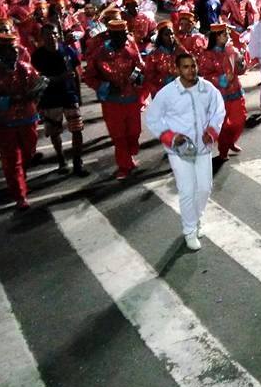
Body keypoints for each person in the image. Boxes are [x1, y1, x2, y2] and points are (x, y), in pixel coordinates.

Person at [145, 52, 225, 251]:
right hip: (179, 151)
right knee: (187, 190)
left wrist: (212, 130)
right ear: (177, 70)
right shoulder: (168, 93)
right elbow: (152, 118)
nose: (191, 70)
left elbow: (219, 110)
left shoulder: (207, 89)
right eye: (186, 67)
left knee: (205, 187)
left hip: (203, 147)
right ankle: (189, 231)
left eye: (193, 65)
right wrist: (171, 137)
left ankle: (196, 219)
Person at [0, 32, 43, 209]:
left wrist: (37, 92)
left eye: (16, 50)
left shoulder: (26, 68)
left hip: (27, 118)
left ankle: (20, 177)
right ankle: (19, 195)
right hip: (4, 121)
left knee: (29, 151)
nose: (15, 53)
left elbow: (37, 87)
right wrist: (4, 102)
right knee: (12, 158)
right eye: (11, 51)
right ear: (2, 53)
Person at [83, 19, 146, 179]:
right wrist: (107, 87)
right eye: (120, 35)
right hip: (112, 103)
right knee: (119, 137)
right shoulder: (99, 53)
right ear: (111, 35)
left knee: (134, 132)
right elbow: (89, 76)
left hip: (132, 99)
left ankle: (130, 155)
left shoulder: (131, 46)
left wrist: (134, 78)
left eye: (125, 34)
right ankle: (124, 166)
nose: (125, 38)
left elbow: (139, 66)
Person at [32, 23, 88, 176]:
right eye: (47, 34)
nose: (52, 37)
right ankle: (61, 159)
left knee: (77, 129)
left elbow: (76, 72)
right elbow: (37, 79)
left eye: (54, 33)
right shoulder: (37, 56)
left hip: (69, 95)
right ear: (42, 37)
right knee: (55, 131)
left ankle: (78, 162)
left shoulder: (68, 50)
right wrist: (58, 78)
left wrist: (78, 94)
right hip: (50, 99)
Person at [198, 22, 246, 160]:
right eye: (224, 34)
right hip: (219, 95)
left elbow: (241, 70)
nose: (227, 36)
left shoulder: (232, 50)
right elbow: (205, 75)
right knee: (223, 124)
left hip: (236, 91)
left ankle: (230, 141)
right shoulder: (207, 55)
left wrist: (241, 64)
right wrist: (222, 79)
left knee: (240, 119)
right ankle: (223, 149)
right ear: (217, 37)